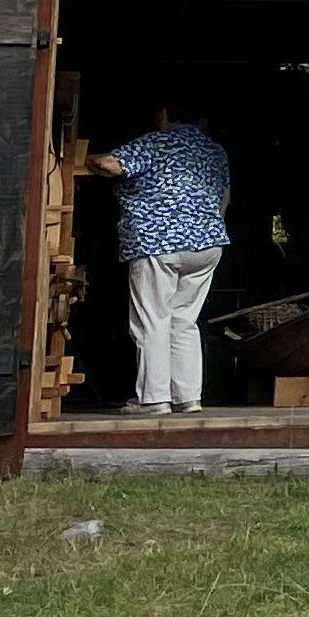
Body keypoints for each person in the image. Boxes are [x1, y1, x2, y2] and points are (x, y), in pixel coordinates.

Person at [92, 100, 233, 411]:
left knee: (152, 320)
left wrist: (90, 161)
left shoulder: (155, 142)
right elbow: (224, 198)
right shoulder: (214, 151)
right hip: (207, 244)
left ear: (164, 115)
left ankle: (153, 399)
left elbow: (109, 165)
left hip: (157, 242)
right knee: (184, 321)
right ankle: (189, 398)